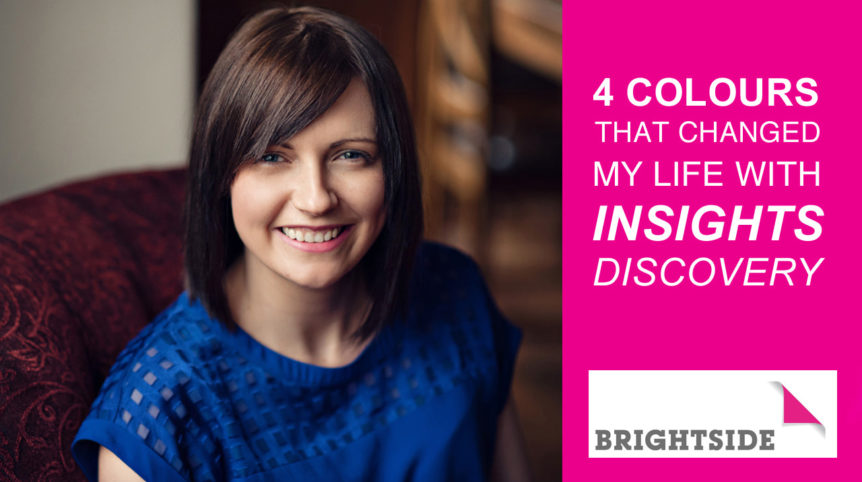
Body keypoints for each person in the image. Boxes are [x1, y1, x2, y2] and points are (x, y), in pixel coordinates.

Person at [71, 6, 528, 481]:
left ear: (393, 169)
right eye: (273, 156)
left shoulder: (456, 291)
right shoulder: (158, 415)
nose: (315, 199)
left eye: (351, 155)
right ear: (222, 175)